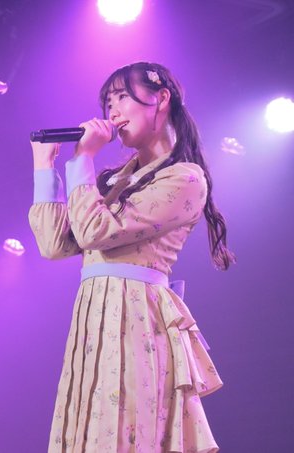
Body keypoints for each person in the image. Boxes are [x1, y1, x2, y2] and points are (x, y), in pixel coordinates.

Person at [29, 61, 234, 452]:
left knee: (124, 428)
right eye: (108, 103)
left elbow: (96, 232)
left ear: (161, 98)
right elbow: (54, 245)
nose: (113, 111)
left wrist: (83, 160)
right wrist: (44, 168)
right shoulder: (118, 180)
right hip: (94, 317)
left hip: (136, 318)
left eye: (122, 97)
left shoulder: (185, 178)